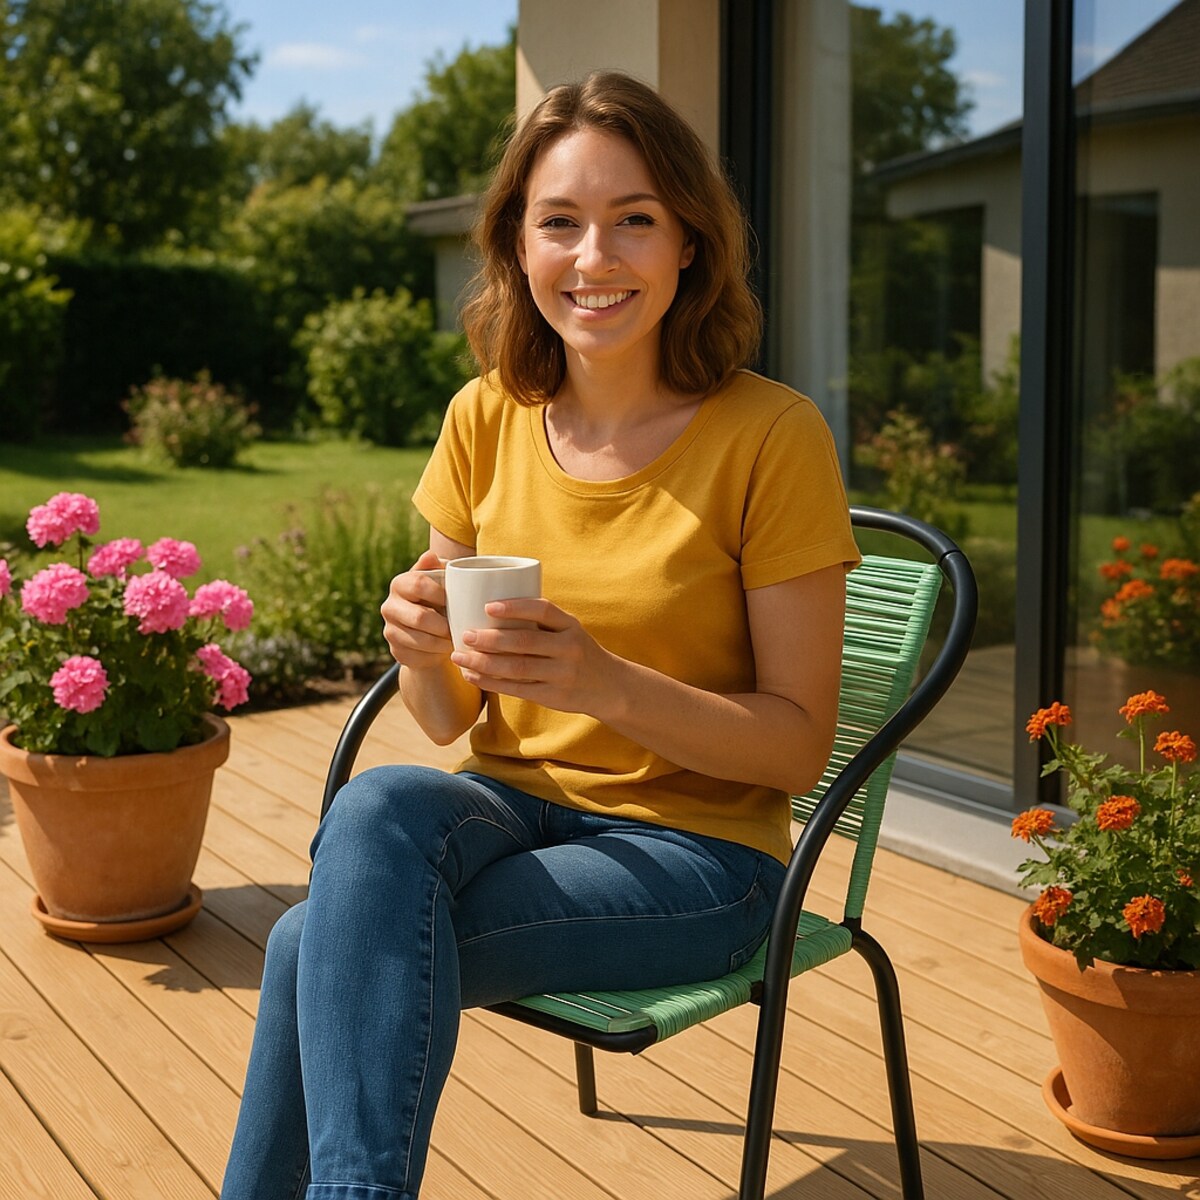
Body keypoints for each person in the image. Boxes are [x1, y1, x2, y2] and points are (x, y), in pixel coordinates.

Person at [221, 70, 861, 1200]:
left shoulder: (771, 437)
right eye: (559, 221)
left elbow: (797, 749)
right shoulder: (484, 418)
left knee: (304, 946)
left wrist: (605, 682)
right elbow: (448, 719)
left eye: (634, 221)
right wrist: (422, 651)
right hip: (510, 809)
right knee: (378, 804)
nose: (593, 258)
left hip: (702, 856)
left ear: (689, 247)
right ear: (518, 244)